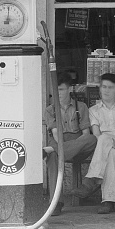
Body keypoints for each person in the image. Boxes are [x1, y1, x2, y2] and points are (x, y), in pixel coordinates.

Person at [74, 72, 115, 213]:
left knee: (105, 139)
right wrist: (109, 141)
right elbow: (97, 135)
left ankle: (92, 179)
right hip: (104, 148)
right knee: (109, 152)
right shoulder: (93, 110)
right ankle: (108, 200)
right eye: (103, 86)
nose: (106, 90)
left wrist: (114, 139)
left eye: (110, 87)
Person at [43, 75, 97, 215]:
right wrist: (62, 147)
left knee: (92, 139)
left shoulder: (81, 106)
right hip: (60, 141)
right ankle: (56, 203)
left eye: (61, 89)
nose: (58, 93)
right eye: (56, 90)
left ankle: (51, 150)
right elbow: (56, 134)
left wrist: (74, 146)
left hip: (79, 143)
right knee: (53, 157)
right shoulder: (50, 110)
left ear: (70, 89)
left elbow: (85, 133)